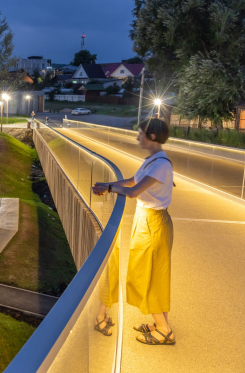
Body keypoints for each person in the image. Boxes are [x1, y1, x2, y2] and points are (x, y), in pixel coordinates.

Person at [92, 118, 175, 346]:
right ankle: (160, 324)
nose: (138, 137)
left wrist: (109, 188)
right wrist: (107, 184)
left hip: (154, 224)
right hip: (148, 221)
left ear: (153, 137)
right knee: (153, 276)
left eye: (141, 134)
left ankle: (164, 331)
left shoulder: (160, 164)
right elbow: (131, 180)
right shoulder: (152, 160)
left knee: (144, 276)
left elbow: (134, 191)